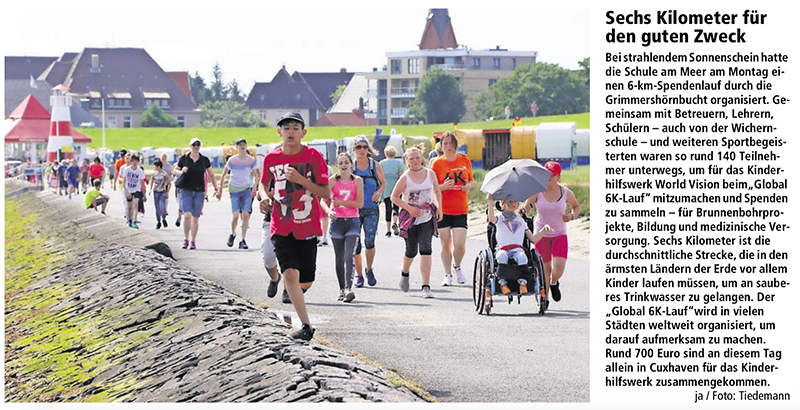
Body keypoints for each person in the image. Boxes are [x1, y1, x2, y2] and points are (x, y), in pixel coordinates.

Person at [259, 111, 330, 341]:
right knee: (289, 273)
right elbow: (263, 185)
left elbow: (325, 192)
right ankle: (306, 326)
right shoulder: (271, 158)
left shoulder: (313, 156)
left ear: (303, 132)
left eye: (295, 128)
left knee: (305, 279)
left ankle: (295, 292)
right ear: (279, 132)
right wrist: (263, 198)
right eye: (286, 127)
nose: (290, 131)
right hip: (281, 224)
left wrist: (301, 180)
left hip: (307, 225)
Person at [522, 161, 580, 303]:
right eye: (546, 174)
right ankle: (544, 299)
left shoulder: (565, 192)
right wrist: (525, 210)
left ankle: (554, 283)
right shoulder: (537, 191)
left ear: (558, 176)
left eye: (552, 175)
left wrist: (571, 216)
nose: (548, 177)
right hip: (541, 234)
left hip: (559, 233)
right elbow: (528, 205)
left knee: (559, 267)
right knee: (545, 269)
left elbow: (576, 206)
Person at [391, 144, 443, 298]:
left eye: (417, 158)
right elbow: (394, 197)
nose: (415, 161)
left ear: (422, 159)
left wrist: (439, 207)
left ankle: (425, 286)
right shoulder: (405, 177)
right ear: (407, 161)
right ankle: (404, 273)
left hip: (427, 216)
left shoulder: (430, 174)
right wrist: (409, 208)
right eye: (411, 158)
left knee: (426, 249)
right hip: (410, 218)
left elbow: (437, 191)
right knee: (411, 250)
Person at [486, 194, 552, 295]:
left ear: (518, 204)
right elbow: (491, 218)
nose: (513, 203)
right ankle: (503, 283)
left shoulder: (521, 221)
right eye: (510, 201)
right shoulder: (500, 218)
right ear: (503, 204)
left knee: (522, 257)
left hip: (517, 249)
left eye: (515, 202)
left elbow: (533, 239)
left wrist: (544, 230)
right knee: (501, 256)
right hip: (503, 249)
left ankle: (522, 283)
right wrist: (490, 204)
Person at [431, 131, 474, 286]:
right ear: (441, 146)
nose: (448, 146)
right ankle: (447, 274)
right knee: (445, 243)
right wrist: (443, 186)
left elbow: (471, 180)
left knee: (460, 244)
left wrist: (467, 186)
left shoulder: (464, 160)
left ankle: (458, 266)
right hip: (443, 208)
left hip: (460, 208)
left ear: (455, 145)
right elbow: (432, 187)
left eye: (450, 143)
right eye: (445, 143)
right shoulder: (437, 163)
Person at [322, 153, 363, 303]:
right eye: (340, 163)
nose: (344, 165)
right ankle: (341, 289)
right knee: (339, 258)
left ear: (351, 164)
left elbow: (359, 203)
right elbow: (323, 200)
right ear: (337, 165)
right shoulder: (332, 181)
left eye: (346, 162)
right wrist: (329, 211)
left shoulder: (357, 181)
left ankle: (348, 289)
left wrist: (342, 203)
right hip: (337, 222)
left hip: (352, 221)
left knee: (348, 256)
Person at [351, 135, 385, 288]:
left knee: (369, 241)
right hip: (354, 210)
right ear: (354, 149)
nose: (362, 150)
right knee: (356, 245)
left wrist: (379, 192)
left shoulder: (374, 165)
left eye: (365, 147)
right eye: (359, 147)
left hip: (371, 208)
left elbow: (383, 183)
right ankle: (359, 275)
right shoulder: (351, 166)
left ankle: (369, 269)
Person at [176, 138, 220, 249]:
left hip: (200, 191)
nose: (196, 147)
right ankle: (185, 238)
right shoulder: (184, 158)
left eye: (198, 145)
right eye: (193, 145)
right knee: (187, 215)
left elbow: (211, 174)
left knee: (195, 217)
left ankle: (193, 240)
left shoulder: (204, 160)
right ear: (190, 146)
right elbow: (175, 170)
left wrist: (216, 188)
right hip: (186, 189)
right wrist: (181, 171)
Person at [216, 138, 259, 249]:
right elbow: (224, 174)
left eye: (244, 144)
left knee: (245, 215)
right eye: (240, 145)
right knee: (235, 216)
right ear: (237, 147)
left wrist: (254, 188)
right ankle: (232, 233)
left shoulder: (251, 160)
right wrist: (220, 190)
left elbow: (256, 175)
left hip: (246, 189)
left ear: (246, 146)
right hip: (234, 189)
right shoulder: (232, 160)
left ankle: (242, 240)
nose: (242, 146)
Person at [379, 145, 404, 237]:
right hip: (395, 184)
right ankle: (395, 221)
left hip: (386, 185)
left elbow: (379, 175)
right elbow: (401, 174)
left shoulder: (381, 163)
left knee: (387, 207)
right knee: (396, 206)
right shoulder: (399, 163)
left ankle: (388, 229)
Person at [123, 154, 147, 229]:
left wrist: (144, 194)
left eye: (136, 161)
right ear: (131, 161)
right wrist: (127, 192)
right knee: (129, 207)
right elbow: (124, 182)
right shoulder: (127, 170)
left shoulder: (140, 171)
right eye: (133, 161)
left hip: (136, 189)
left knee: (136, 205)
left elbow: (142, 184)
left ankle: (134, 221)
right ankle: (129, 220)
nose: (134, 163)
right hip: (128, 189)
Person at [149, 159, 171, 229]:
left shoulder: (164, 174)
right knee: (157, 208)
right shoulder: (154, 174)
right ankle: (158, 221)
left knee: (163, 207)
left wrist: (167, 191)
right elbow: (152, 181)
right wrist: (150, 189)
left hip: (162, 192)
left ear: (159, 166)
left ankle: (164, 218)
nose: (154, 167)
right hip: (156, 191)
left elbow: (169, 183)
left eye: (155, 166)